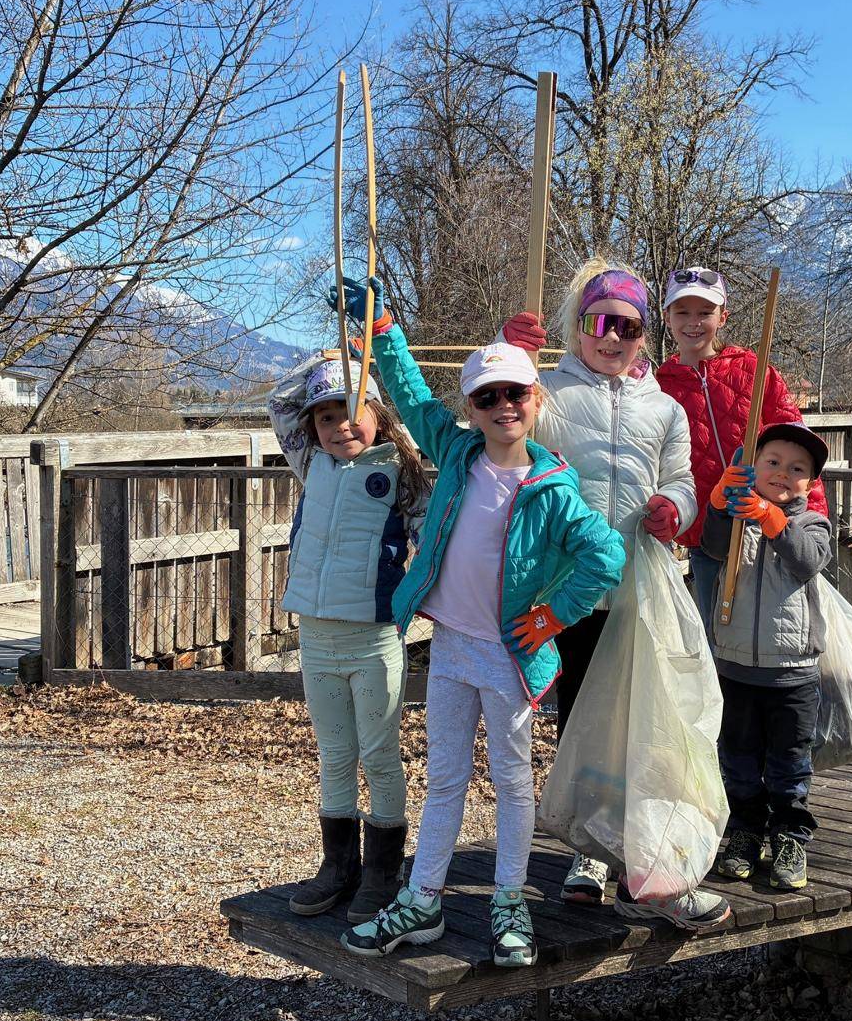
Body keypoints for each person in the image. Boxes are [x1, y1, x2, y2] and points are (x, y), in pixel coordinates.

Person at [335, 280, 625, 967]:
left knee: (513, 777)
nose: (502, 406)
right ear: (471, 407)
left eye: (515, 393)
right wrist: (381, 327)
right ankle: (424, 898)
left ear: (535, 399)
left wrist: (556, 614)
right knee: (443, 777)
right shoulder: (459, 454)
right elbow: (406, 393)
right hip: (452, 644)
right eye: (487, 396)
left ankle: (509, 901)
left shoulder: (554, 489)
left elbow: (605, 555)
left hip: (509, 653)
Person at [502, 259, 731, 932]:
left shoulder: (661, 407)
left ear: (642, 333)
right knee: (582, 721)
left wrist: (672, 506)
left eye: (628, 325)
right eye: (601, 321)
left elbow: (684, 479)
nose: (613, 336)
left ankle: (643, 849)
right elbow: (499, 434)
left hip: (640, 588)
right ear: (579, 326)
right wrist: (512, 362)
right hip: (567, 591)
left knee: (650, 724)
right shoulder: (546, 395)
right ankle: (587, 852)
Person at [266, 354, 429, 923]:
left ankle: (384, 866)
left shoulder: (403, 475)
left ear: (378, 416)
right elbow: (280, 402)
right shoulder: (312, 464)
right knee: (335, 753)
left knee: (380, 753)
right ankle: (339, 865)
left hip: (374, 637)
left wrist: (367, 374)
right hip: (317, 636)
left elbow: (429, 543)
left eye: (352, 413)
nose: (340, 428)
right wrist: (333, 359)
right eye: (327, 418)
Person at [653, 267, 830, 642]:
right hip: (708, 539)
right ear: (666, 316)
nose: (694, 322)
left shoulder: (752, 370)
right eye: (682, 311)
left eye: (705, 312)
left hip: (769, 532)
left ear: (722, 317)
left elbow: (797, 444)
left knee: (779, 641)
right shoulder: (657, 387)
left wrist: (811, 519)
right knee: (718, 643)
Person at [700, 421, 833, 891]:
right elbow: (711, 547)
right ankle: (744, 832)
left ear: (810, 483)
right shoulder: (736, 518)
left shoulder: (811, 524)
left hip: (792, 673)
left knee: (789, 762)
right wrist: (720, 504)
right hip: (735, 665)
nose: (782, 473)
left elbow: (806, 560)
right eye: (771, 462)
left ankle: (790, 836)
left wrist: (770, 520)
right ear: (753, 467)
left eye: (796, 468)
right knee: (736, 757)